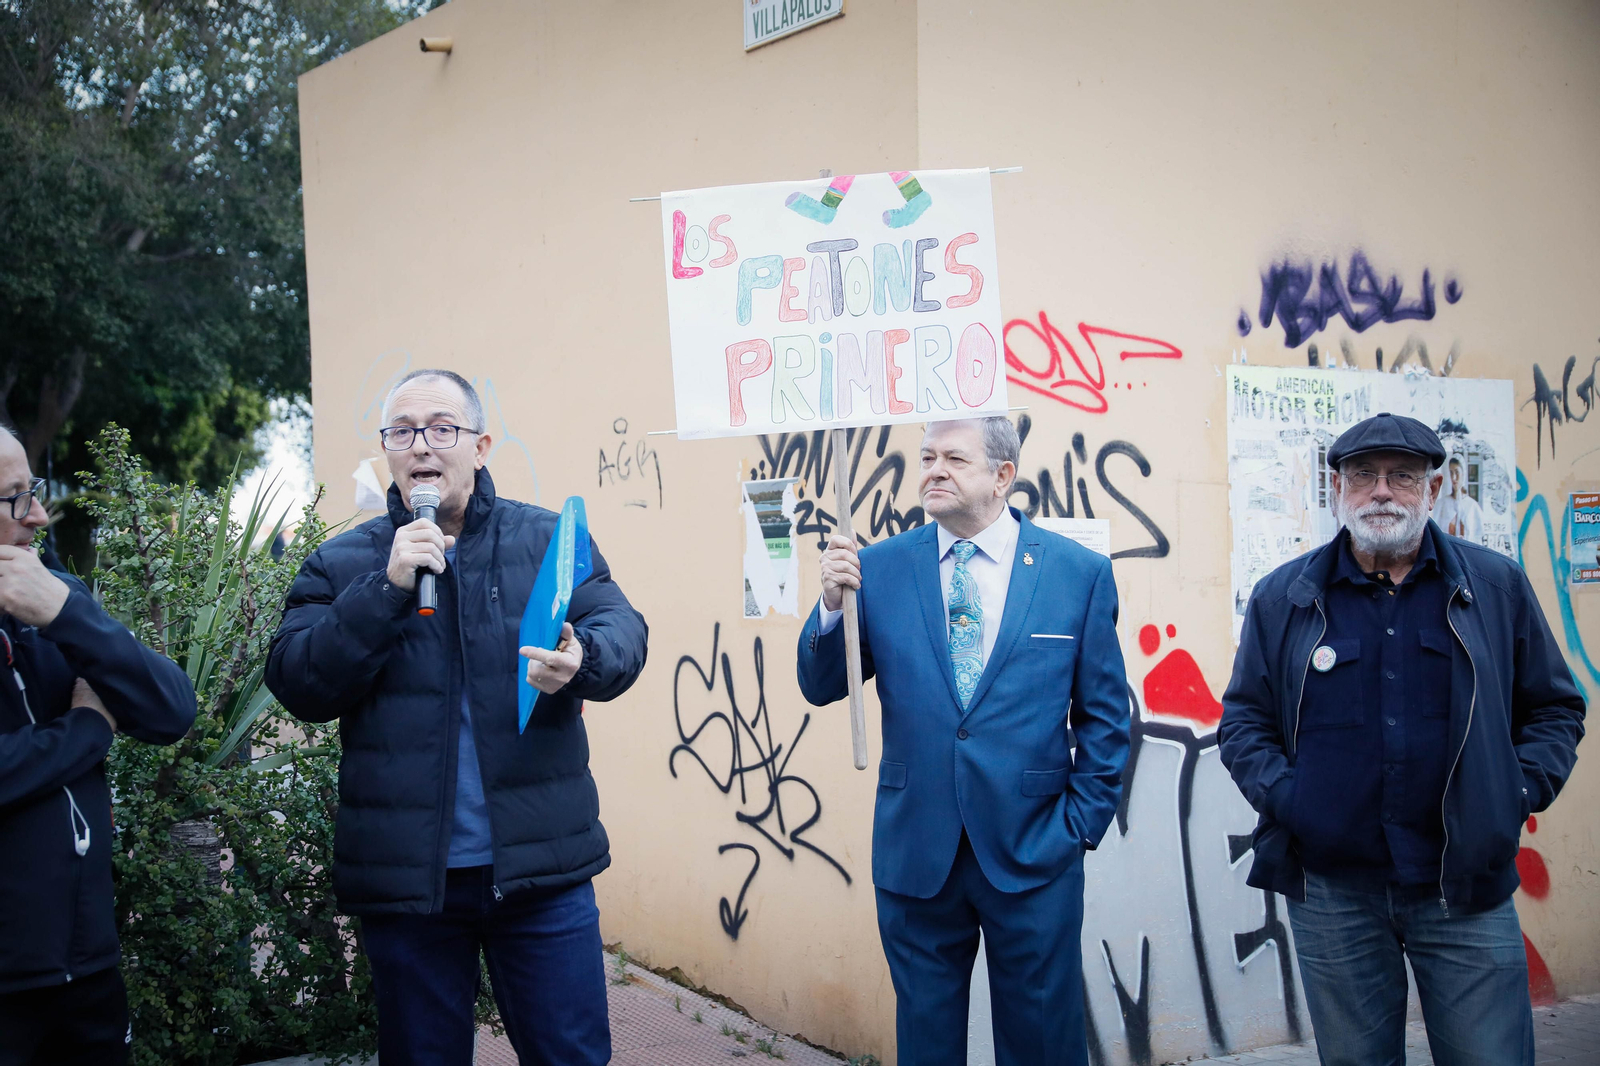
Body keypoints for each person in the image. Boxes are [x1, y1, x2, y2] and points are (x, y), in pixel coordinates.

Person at [266, 369, 648, 1066]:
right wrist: (384, 589)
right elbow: (299, 682)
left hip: (541, 871)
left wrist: (584, 655)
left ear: (480, 445)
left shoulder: (547, 541)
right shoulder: (341, 562)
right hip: (410, 885)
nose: (422, 447)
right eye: (403, 432)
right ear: (387, 449)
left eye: (443, 429)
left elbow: (621, 626)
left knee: (572, 1055)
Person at [1218, 412, 1585, 1066]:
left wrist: (1516, 790)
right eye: (1364, 475)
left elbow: (1555, 707)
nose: (1382, 491)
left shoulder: (1492, 587)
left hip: (1463, 886)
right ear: (1337, 488)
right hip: (1334, 893)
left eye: (1402, 476)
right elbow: (1245, 721)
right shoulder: (1288, 597)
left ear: (1433, 491)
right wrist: (1288, 798)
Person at [796, 416, 1130, 1066]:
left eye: (955, 458)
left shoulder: (1076, 574)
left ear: (1003, 475)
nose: (934, 470)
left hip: (1035, 854)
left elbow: (1106, 719)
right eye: (926, 457)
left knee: (1042, 1044)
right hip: (917, 853)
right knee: (926, 1046)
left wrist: (1080, 827)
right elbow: (821, 685)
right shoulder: (879, 569)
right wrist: (834, 603)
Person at [0, 426, 197, 1065]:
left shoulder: (49, 594)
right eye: (12, 500)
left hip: (87, 969)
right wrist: (87, 730)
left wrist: (66, 614)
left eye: (32, 490)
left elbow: (171, 709)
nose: (36, 514)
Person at [1433, 455, 1483, 543]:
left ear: (1463, 473)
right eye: (1451, 473)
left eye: (1457, 472)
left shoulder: (1472, 506)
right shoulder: (1441, 504)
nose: (1454, 478)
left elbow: (1477, 538)